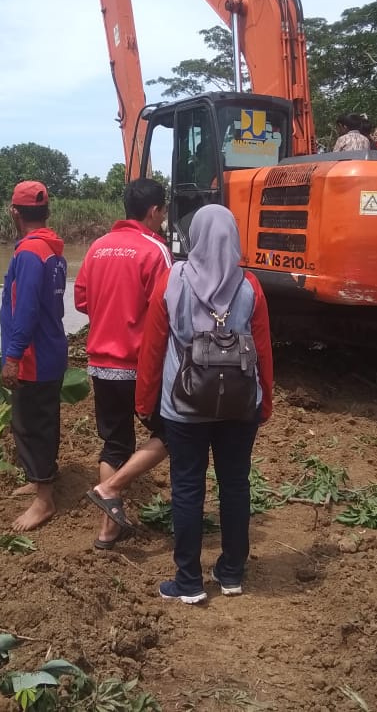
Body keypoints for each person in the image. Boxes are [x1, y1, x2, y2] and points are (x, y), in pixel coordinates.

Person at [136, 204, 274, 604]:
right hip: (239, 406)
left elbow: (153, 348)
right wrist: (264, 402)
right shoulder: (251, 286)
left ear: (194, 236)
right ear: (234, 238)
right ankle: (231, 573)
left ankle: (188, 582)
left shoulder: (171, 280)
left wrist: (145, 403)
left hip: (183, 406)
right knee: (234, 485)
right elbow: (262, 350)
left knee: (187, 489)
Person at [75, 178, 173, 550]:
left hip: (101, 364)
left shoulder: (98, 247)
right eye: (162, 212)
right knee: (172, 435)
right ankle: (110, 488)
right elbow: (168, 307)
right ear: (153, 212)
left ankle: (107, 530)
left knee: (115, 443)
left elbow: (82, 301)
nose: (163, 218)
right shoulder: (156, 250)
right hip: (141, 366)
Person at [0, 180, 68, 531]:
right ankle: (40, 478)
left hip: (34, 356)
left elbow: (24, 310)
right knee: (43, 421)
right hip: (51, 348)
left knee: (30, 426)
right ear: (46, 211)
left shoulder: (28, 253)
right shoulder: (52, 250)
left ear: (15, 212)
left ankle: (44, 499)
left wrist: (11, 356)